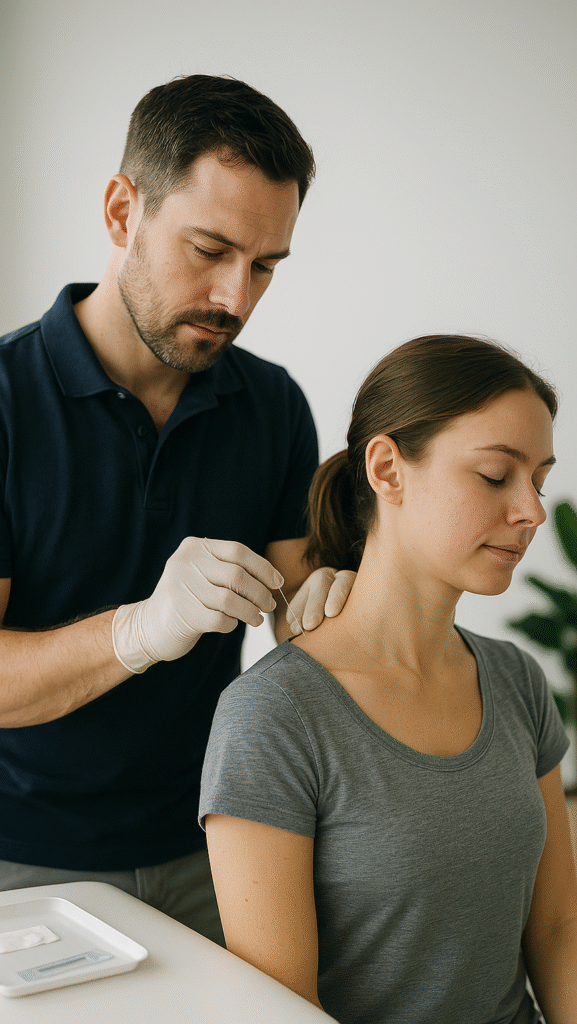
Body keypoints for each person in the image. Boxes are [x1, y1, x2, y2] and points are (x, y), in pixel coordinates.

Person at [0, 74, 352, 941]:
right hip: (21, 858)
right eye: (209, 249)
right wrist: (142, 629)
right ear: (120, 211)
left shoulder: (272, 405)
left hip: (217, 841)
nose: (235, 299)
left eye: (264, 266)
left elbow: (301, 614)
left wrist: (337, 600)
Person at [200, 335, 577, 1021]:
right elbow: (283, 1005)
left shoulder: (514, 680)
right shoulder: (272, 716)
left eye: (539, 480)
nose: (531, 511)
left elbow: (555, 930)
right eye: (495, 475)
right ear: (386, 468)